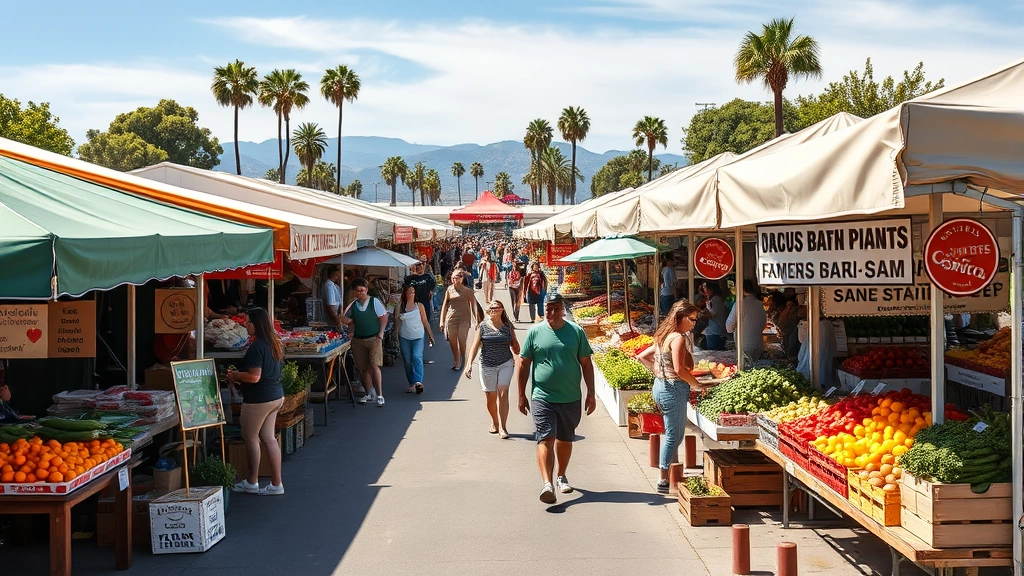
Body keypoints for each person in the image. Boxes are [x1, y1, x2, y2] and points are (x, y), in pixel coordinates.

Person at [517, 293, 596, 504]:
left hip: (570, 396)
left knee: (565, 439)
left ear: (562, 309)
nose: (551, 313)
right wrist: (521, 395)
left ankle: (561, 475)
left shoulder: (576, 332)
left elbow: (586, 364)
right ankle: (547, 483)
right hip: (542, 395)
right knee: (545, 438)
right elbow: (523, 364)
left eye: (555, 308)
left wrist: (591, 393)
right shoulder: (535, 333)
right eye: (548, 308)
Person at [636, 301, 705, 493]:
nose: (694, 324)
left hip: (660, 387)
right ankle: (663, 478)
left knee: (672, 432)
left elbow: (642, 356)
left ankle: (666, 472)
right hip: (673, 389)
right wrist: (696, 384)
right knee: (674, 435)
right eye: (692, 319)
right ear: (681, 318)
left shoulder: (664, 336)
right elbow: (679, 369)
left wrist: (659, 373)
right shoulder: (678, 339)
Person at [226, 308, 285, 495]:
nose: (246, 325)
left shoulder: (256, 347)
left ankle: (252, 481)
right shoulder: (274, 343)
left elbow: (254, 377)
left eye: (248, 322)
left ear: (256, 324)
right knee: (269, 438)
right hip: (276, 396)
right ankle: (277, 483)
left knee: (251, 438)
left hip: (259, 399)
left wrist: (235, 374)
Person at [464, 300, 520, 438]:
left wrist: (516, 348)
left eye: (497, 307)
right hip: (487, 364)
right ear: (488, 310)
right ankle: (494, 421)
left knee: (503, 393)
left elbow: (516, 347)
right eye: (491, 308)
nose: (494, 310)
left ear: (502, 310)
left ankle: (503, 427)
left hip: (505, 363)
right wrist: (469, 364)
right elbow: (475, 346)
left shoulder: (507, 326)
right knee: (491, 397)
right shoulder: (482, 326)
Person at [342, 278, 389, 407]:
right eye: (357, 291)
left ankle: (380, 395)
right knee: (363, 369)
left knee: (375, 365)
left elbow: (384, 316)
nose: (360, 293)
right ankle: (369, 393)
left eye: (362, 291)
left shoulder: (374, 302)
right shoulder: (353, 305)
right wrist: (348, 326)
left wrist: (381, 332)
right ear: (354, 292)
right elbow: (348, 320)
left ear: (366, 290)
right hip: (358, 340)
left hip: (374, 339)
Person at [395, 285, 434, 395]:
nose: (412, 294)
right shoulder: (400, 306)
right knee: (407, 361)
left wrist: (430, 335)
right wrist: (395, 336)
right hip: (404, 337)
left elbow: (425, 321)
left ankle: (418, 382)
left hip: (418, 336)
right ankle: (411, 383)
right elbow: (397, 322)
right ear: (405, 294)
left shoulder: (419, 306)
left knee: (417, 357)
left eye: (413, 292)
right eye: (409, 292)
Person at [439, 270, 479, 371]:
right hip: (451, 318)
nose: (455, 279)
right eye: (453, 278)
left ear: (462, 279)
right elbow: (445, 305)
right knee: (452, 341)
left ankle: (463, 356)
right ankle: (457, 360)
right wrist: (441, 321)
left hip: (464, 319)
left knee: (462, 340)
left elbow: (473, 306)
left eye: (457, 277)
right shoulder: (449, 289)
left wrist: (477, 320)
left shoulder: (468, 291)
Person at [726, 279, 768, 363]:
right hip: (759, 344)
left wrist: (735, 327)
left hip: (744, 346)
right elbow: (763, 324)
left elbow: (729, 327)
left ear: (742, 289)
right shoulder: (760, 304)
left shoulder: (739, 304)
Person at [797, 318, 838, 387]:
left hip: (813, 373)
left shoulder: (819, 328)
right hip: (826, 374)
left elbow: (802, 354)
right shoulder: (826, 325)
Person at [702, 283, 728, 350]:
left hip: (716, 332)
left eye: (706, 289)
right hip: (715, 331)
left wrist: (704, 314)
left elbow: (713, 315)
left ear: (711, 290)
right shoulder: (714, 299)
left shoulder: (716, 300)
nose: (705, 292)